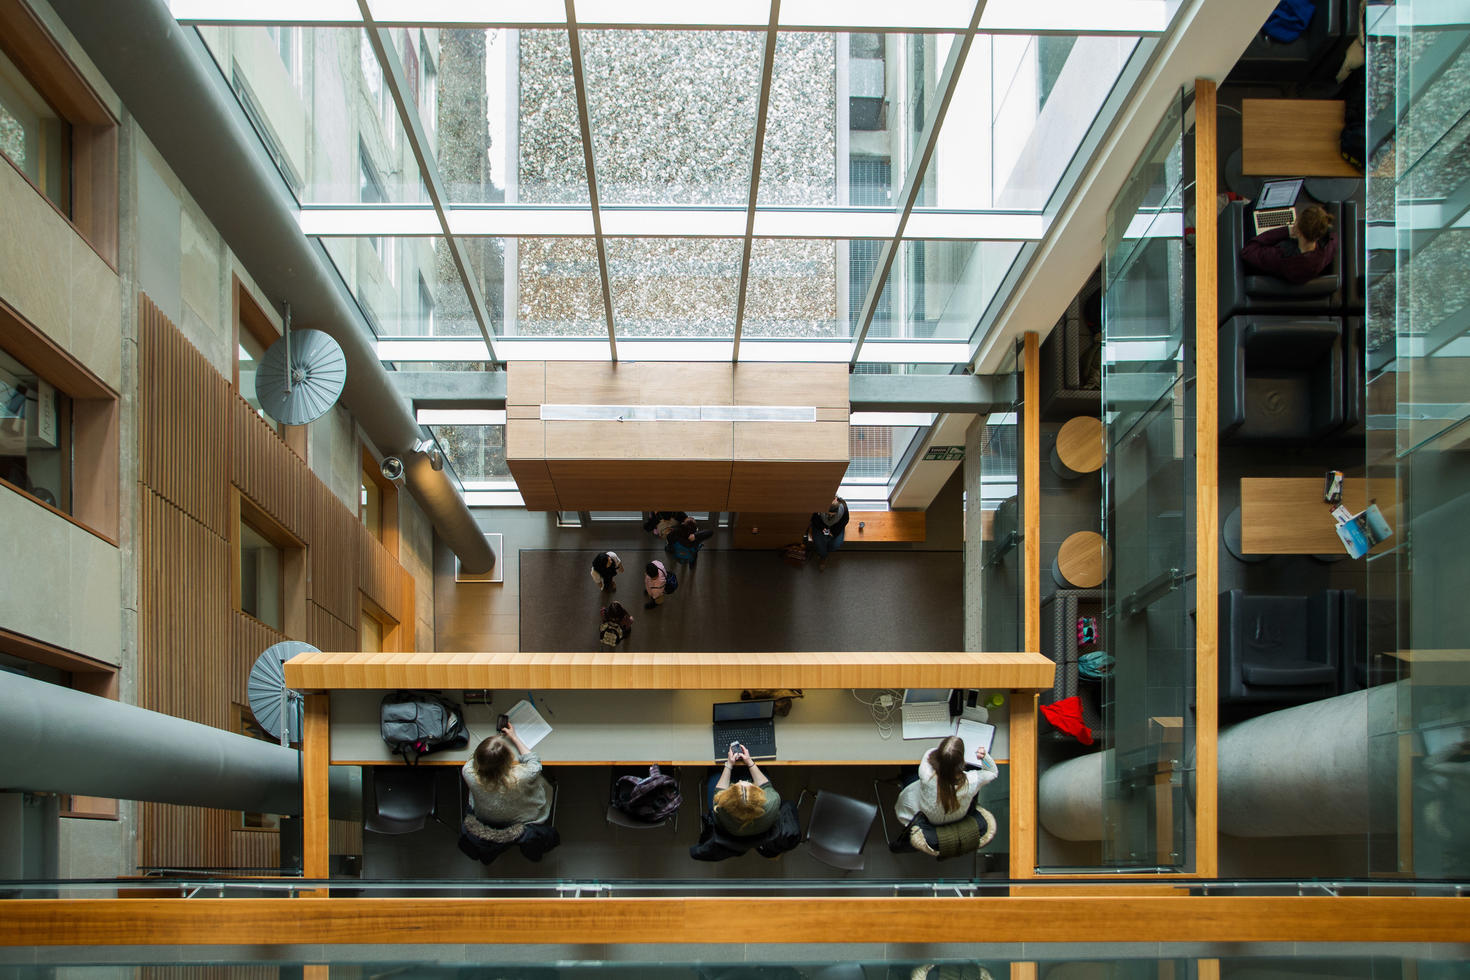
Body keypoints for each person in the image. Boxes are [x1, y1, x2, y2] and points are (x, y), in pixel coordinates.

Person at [893, 735, 998, 826]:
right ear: (962, 762)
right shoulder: (973, 781)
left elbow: (930, 752)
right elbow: (992, 771)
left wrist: (945, 753)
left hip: (925, 818)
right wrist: (984, 756)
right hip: (957, 819)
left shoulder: (926, 773)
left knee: (907, 765)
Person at [462, 722, 552, 826]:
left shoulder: (468, 772)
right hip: (524, 819)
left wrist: (488, 749)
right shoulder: (521, 776)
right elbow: (534, 761)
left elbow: (474, 759)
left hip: (485, 818)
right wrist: (514, 737)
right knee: (540, 780)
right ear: (508, 760)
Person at [1240, 203, 1337, 285]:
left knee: (1254, 205)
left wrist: (1286, 231)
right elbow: (1333, 237)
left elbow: (1248, 251)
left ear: (1298, 232)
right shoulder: (1327, 250)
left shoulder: (1281, 256)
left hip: (1261, 270)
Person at [709, 742, 781, 838]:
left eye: (738, 783)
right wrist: (750, 762)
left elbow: (719, 791)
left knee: (715, 769)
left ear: (728, 800)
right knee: (757, 769)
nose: (740, 780)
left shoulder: (720, 808)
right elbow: (766, 786)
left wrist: (729, 764)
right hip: (760, 830)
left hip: (731, 832)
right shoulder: (773, 801)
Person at [807, 495, 850, 570]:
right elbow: (814, 520)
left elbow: (843, 523)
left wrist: (833, 533)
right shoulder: (818, 507)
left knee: (835, 545)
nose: (829, 515)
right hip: (820, 526)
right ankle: (823, 556)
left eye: (832, 515)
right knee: (819, 544)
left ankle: (826, 552)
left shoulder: (844, 509)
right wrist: (823, 529)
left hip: (836, 527)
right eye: (827, 513)